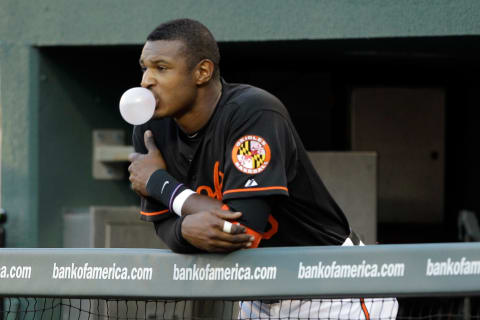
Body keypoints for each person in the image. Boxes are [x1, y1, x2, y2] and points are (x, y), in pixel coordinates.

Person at [128, 18, 398, 319]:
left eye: (161, 68)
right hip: (257, 295)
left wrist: (159, 183)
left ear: (202, 72)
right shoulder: (150, 128)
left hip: (330, 288)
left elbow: (243, 230)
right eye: (144, 68)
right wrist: (183, 230)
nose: (146, 81)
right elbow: (163, 223)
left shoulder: (253, 113)